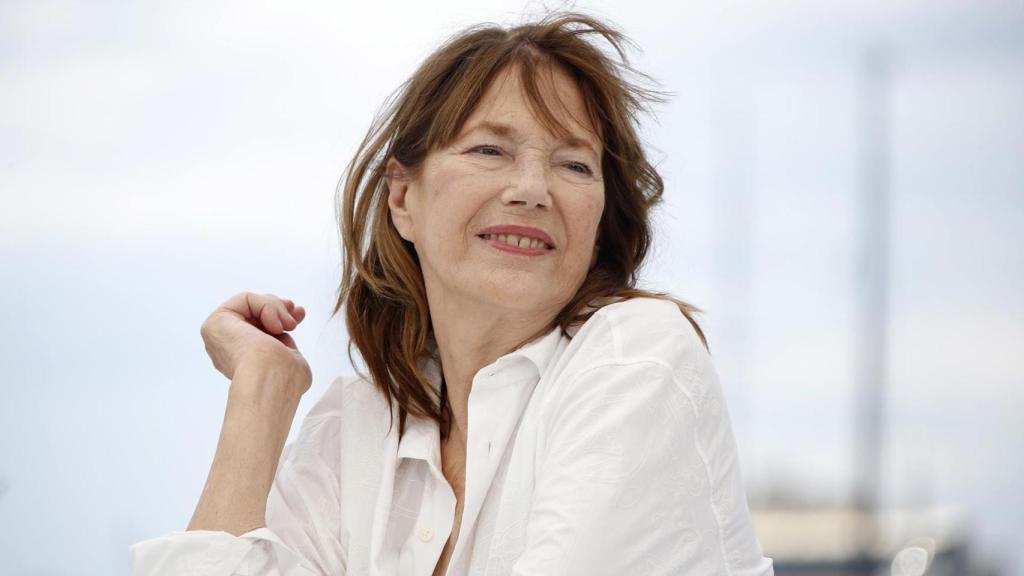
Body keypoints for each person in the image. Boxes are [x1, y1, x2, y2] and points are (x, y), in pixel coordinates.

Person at [130, 11, 774, 576]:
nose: (532, 189)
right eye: (491, 150)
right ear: (404, 198)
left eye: (574, 164)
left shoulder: (637, 359)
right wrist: (260, 395)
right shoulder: (355, 425)